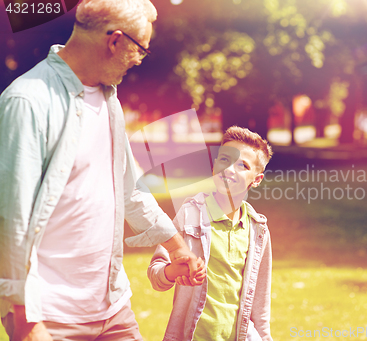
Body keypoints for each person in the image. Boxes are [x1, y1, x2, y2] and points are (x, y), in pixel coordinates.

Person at [0, 0, 205, 340]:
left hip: (113, 310)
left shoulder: (109, 99)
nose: (140, 59)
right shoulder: (28, 102)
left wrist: (177, 248)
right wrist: (26, 321)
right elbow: (11, 221)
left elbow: (130, 189)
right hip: (50, 319)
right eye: (140, 49)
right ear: (115, 41)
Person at [148, 126, 274, 341]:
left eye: (242, 165)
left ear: (257, 179)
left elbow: (260, 306)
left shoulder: (258, 229)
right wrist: (172, 271)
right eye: (225, 159)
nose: (230, 169)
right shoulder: (189, 215)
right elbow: (156, 274)